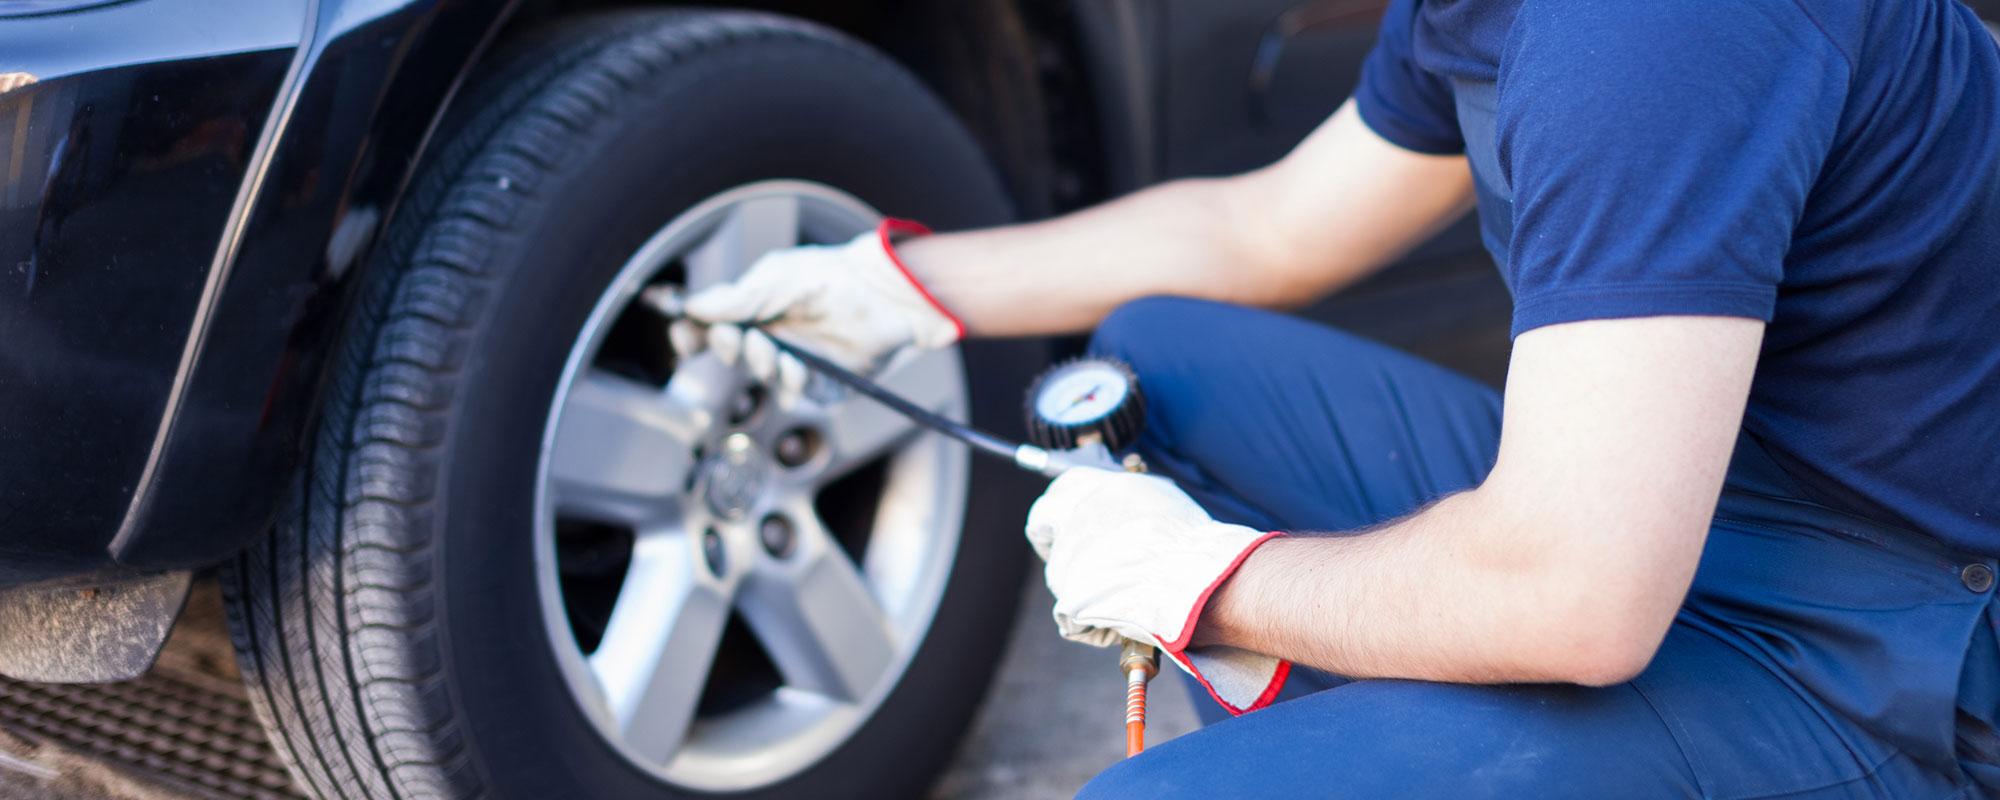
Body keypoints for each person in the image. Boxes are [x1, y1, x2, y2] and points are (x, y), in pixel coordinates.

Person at [674, 1, 2000, 795]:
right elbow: (1274, 230)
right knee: (1159, 370)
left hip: (1899, 641)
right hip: (1689, 487)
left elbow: (1577, 596)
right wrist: (901, 285)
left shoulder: (1647, 37)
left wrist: (1213, 584)